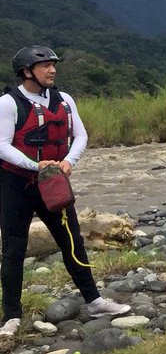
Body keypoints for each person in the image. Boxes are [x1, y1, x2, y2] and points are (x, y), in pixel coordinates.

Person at [1, 45, 130, 338]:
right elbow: (2, 145)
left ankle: (94, 301)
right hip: (16, 185)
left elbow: (80, 135)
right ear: (26, 72)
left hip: (53, 183)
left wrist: (68, 161)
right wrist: (36, 164)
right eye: (45, 66)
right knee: (13, 250)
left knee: (72, 240)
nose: (52, 70)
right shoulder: (8, 103)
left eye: (53, 65)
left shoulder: (65, 100)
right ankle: (11, 315)